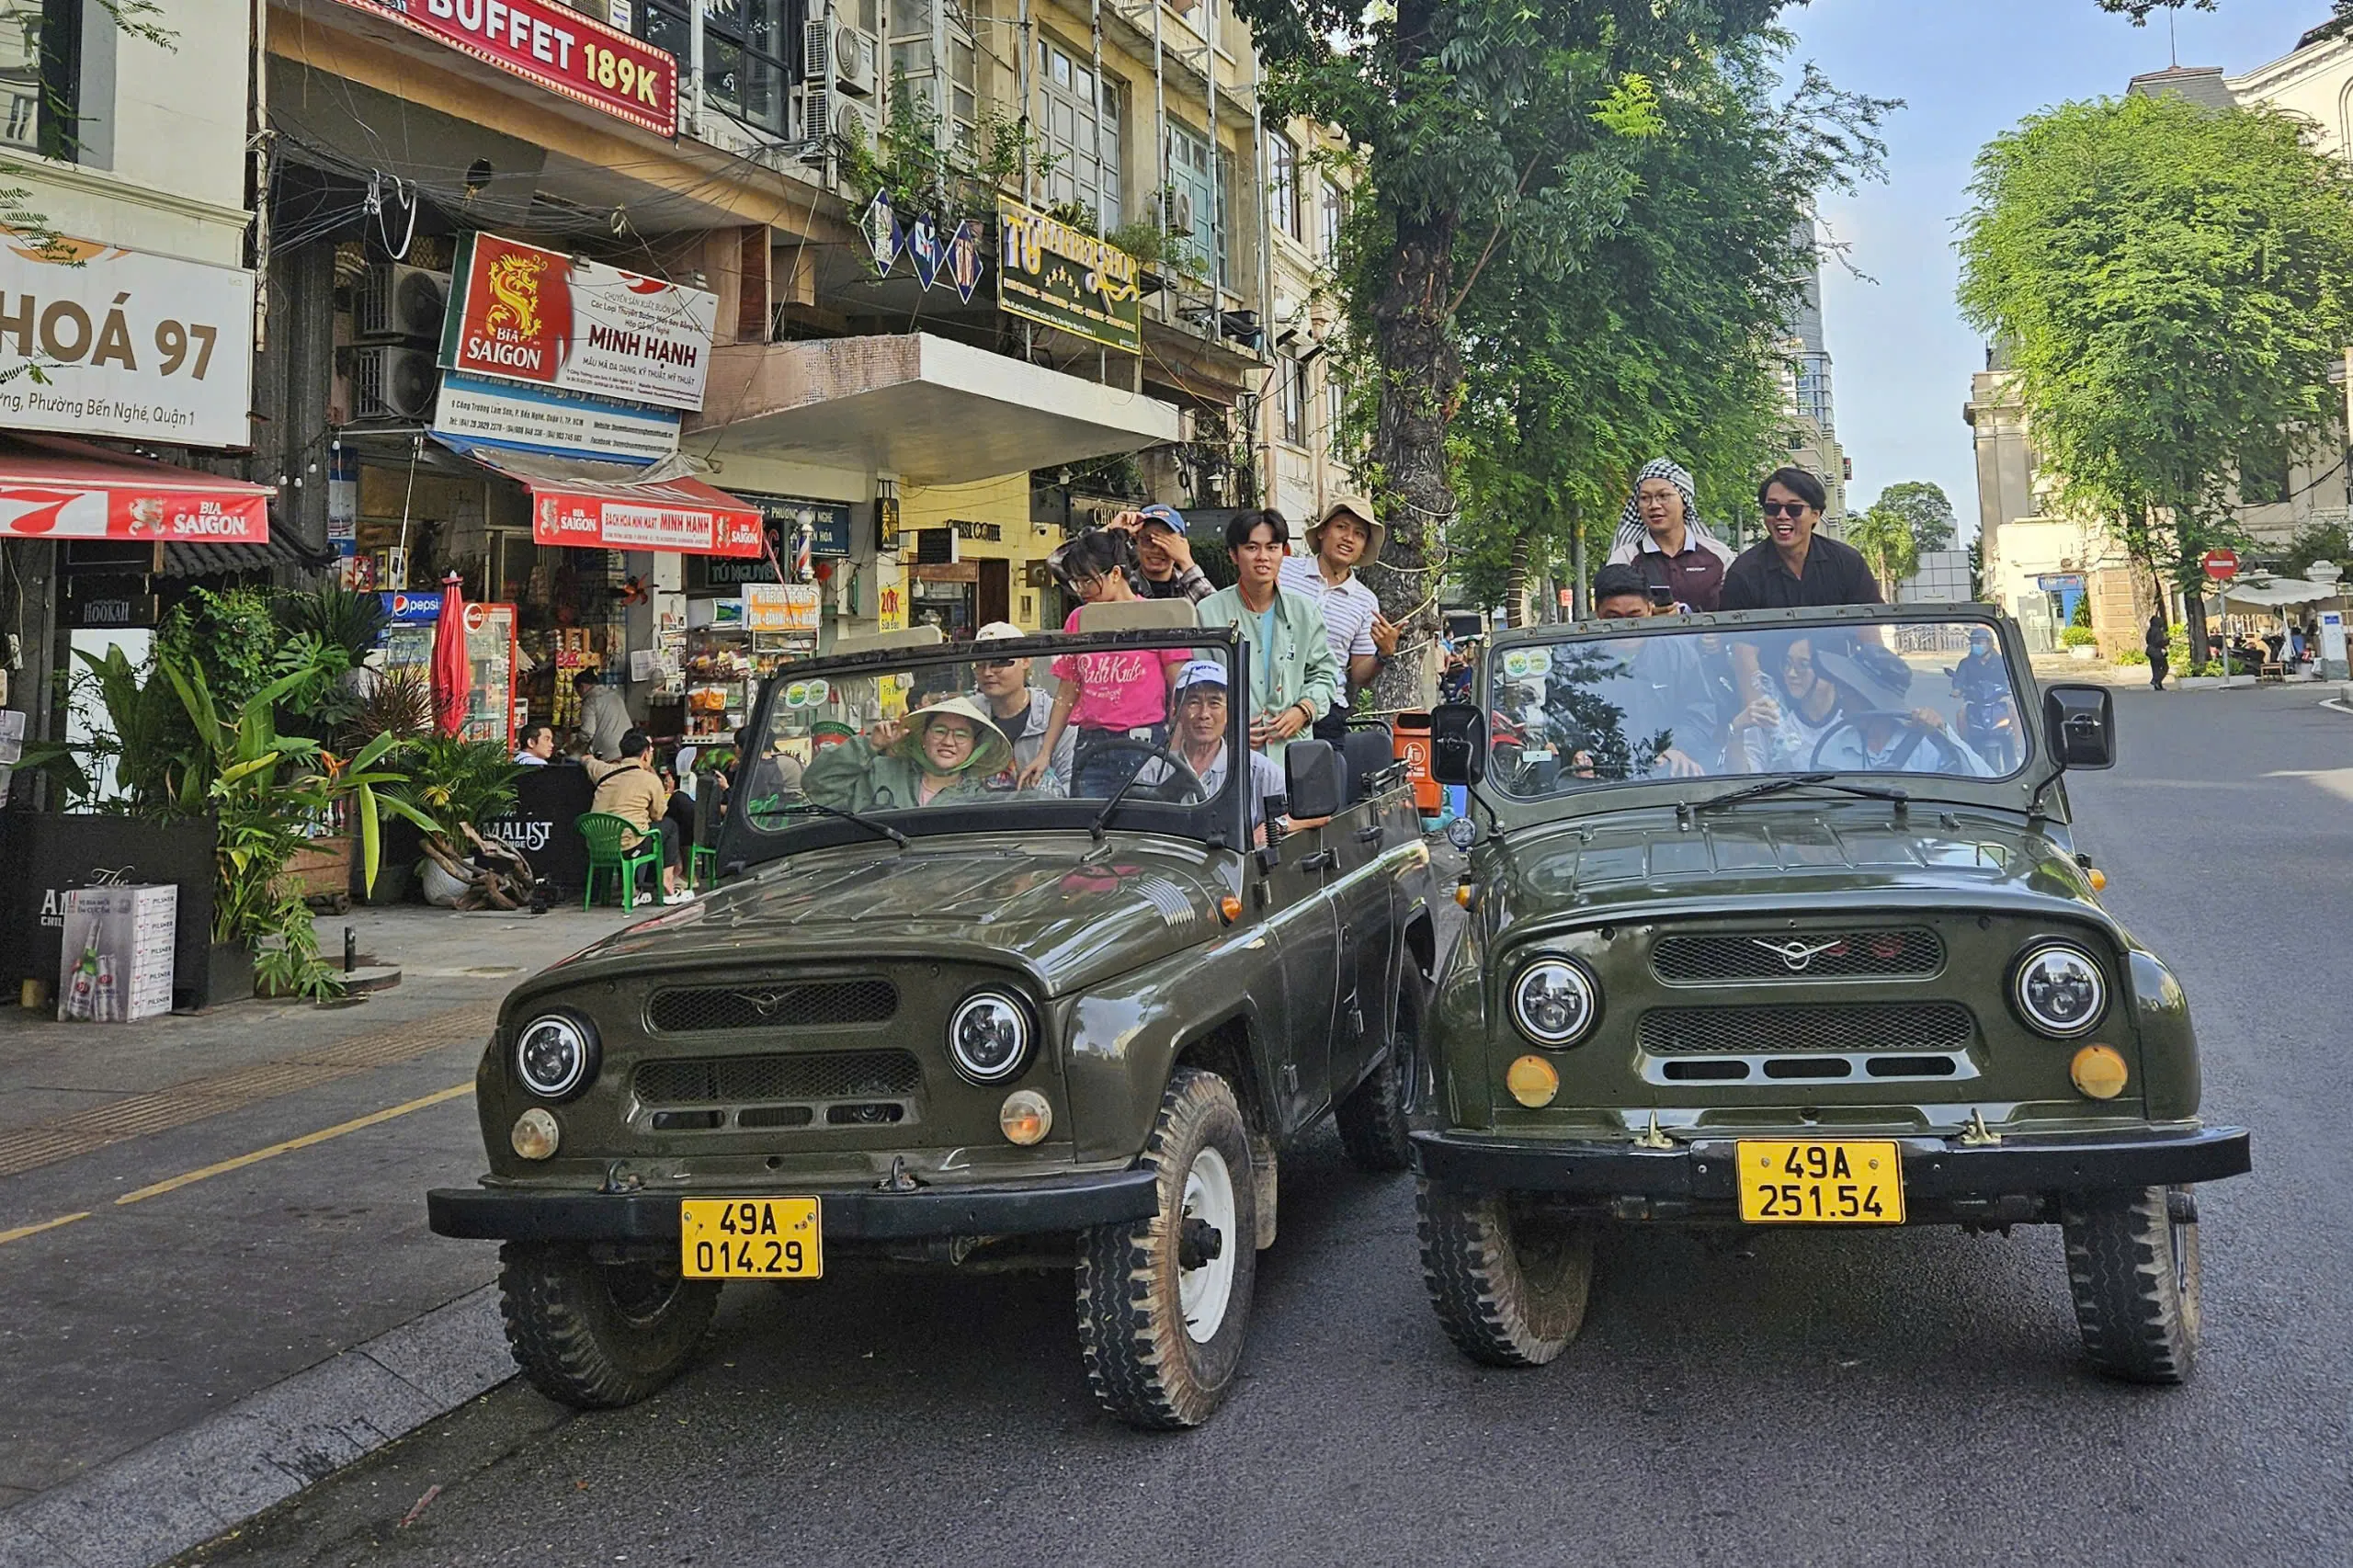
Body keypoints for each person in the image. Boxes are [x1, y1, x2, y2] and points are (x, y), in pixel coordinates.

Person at [1021, 529, 1190, 794]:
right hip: (1092, 743)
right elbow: (1067, 692)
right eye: (1077, 582)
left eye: (1088, 581)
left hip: (1144, 742)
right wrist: (1045, 753)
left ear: (1114, 574)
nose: (1081, 590)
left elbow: (1180, 690)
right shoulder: (1079, 620)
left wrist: (1176, 750)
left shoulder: (1156, 616)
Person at [1197, 510, 1342, 764]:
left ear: (1283, 553)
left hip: (1293, 754)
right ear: (1233, 554)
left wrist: (1304, 709)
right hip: (1229, 755)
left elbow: (1325, 674)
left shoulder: (1304, 612)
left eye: (1272, 547)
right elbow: (1198, 684)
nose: (1263, 557)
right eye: (1252, 547)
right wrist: (1229, 722)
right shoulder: (1208, 612)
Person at [1280, 494, 1401, 740]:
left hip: (1326, 712)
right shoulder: (1283, 570)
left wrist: (1383, 653)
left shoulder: (1365, 601)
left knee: (1323, 778)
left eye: (1359, 534)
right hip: (1275, 700)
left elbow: (1359, 674)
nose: (1349, 538)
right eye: (1342, 527)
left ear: (1364, 546)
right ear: (1323, 531)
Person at [1588, 562, 1716, 776]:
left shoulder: (1679, 654)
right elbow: (1564, 720)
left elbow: (1700, 715)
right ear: (1598, 613)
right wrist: (1577, 750)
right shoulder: (1577, 660)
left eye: (1634, 617)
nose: (1625, 628)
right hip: (1599, 772)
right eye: (1614, 619)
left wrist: (1678, 748)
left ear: (1650, 609)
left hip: (1666, 767)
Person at [803, 697, 1018, 812]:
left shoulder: (981, 801)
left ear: (975, 746)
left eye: (961, 735)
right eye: (940, 731)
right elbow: (818, 787)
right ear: (923, 737)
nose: (948, 742)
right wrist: (870, 746)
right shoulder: (880, 771)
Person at [1155, 659, 1285, 845]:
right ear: (1176, 711)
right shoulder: (1153, 771)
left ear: (1229, 712)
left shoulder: (1258, 770)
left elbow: (1314, 815)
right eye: (1193, 702)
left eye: (1215, 703)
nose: (1204, 714)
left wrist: (1276, 827)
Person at [1717, 468, 1883, 610]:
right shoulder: (1743, 572)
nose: (1782, 516)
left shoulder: (1848, 563)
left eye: (1794, 508)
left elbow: (1871, 635)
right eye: (1772, 508)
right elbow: (1741, 645)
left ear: (1815, 515)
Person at [1605, 459, 1736, 612]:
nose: (1654, 505)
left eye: (1663, 496)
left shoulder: (1719, 555)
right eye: (1645, 498)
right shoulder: (1624, 559)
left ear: (1684, 501)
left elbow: (1735, 611)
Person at [585, 728, 692, 903]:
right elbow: (658, 815)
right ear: (645, 755)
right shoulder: (649, 779)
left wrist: (589, 758)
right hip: (629, 846)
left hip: (598, 845)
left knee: (637, 830)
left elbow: (586, 760)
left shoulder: (604, 771)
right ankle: (667, 887)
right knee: (669, 826)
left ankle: (638, 889)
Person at [971, 620, 1074, 792]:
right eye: (979, 664)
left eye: (1000, 662)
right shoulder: (967, 716)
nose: (988, 672)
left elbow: (1072, 784)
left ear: (1026, 661)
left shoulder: (1055, 718)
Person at [1108, 504, 1215, 602]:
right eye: (1148, 540)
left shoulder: (1189, 585)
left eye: (1166, 542)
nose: (1156, 550)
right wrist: (1112, 533)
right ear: (1137, 542)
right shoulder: (1123, 585)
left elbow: (1216, 612)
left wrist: (1186, 562)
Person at [574, 671, 633, 760]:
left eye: (577, 691)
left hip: (609, 752)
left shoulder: (590, 701)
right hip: (629, 746)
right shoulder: (615, 696)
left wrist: (573, 747)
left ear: (582, 687)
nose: (579, 695)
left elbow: (587, 733)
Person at [2144, 613, 2170, 691]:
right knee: (2165, 667)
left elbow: (2148, 640)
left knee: (2155, 668)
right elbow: (2159, 642)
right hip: (2157, 651)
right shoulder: (2158, 631)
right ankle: (2156, 680)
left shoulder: (2150, 630)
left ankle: (2158, 685)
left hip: (2150, 651)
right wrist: (2167, 641)